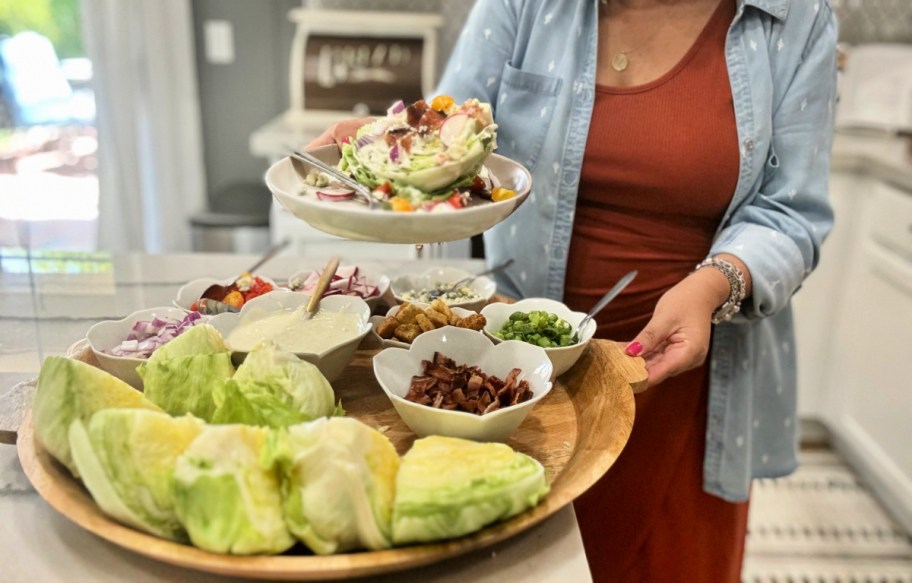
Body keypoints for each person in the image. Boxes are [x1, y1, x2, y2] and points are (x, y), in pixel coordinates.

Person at [308, 0, 838, 579]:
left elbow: (791, 213)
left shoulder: (795, 17)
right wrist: (385, 148)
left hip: (685, 373)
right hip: (524, 373)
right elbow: (450, 133)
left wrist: (715, 285)